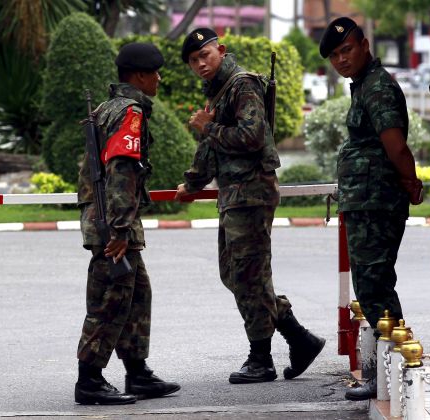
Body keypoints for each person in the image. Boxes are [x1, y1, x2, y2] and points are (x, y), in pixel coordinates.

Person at [175, 28, 326, 384]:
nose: (199, 64)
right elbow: (212, 148)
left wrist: (209, 128)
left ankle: (261, 359)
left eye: (204, 56)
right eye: (193, 61)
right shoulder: (218, 90)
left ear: (221, 51)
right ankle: (298, 337)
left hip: (252, 193)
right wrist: (194, 181)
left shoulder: (242, 85)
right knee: (236, 274)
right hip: (235, 195)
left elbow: (251, 137)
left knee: (248, 275)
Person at [319, 17, 424, 400]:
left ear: (364, 45)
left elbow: (395, 145)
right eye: (334, 55)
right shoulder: (363, 85)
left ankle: (391, 373)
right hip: (367, 200)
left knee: (375, 284)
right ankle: (384, 371)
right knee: (370, 283)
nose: (341, 59)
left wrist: (411, 183)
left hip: (378, 201)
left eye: (346, 50)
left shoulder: (377, 87)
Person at [75, 42, 181, 405]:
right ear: (139, 76)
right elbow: (121, 170)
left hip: (110, 216)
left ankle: (137, 373)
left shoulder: (106, 108)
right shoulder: (130, 112)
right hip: (113, 222)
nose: (159, 78)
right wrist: (119, 230)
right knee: (110, 300)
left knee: (137, 295)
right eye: (155, 72)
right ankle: (89, 380)